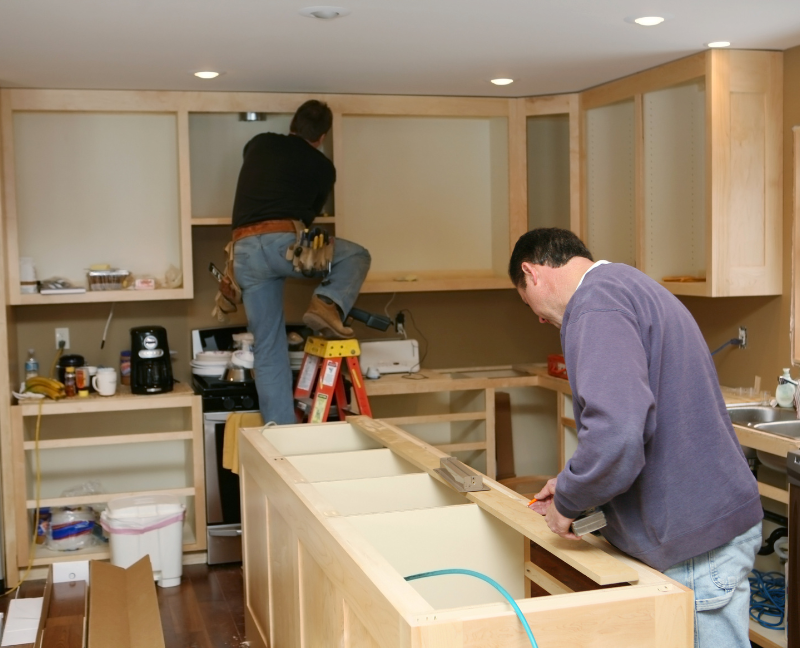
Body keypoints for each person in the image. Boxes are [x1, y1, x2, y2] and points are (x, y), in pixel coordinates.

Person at [509, 228, 762, 648]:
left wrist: (569, 503)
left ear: (531, 273)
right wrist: (572, 482)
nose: (537, 317)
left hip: (692, 544)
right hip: (702, 527)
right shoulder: (629, 285)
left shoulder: (594, 306)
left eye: (526, 302)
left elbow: (618, 432)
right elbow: (633, 426)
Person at [232, 99, 371, 425]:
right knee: (356, 255)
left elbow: (254, 169)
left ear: (292, 125)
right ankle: (327, 303)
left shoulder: (260, 142)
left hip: (242, 253)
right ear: (322, 136)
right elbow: (306, 220)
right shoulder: (323, 168)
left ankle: (281, 433)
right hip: (282, 244)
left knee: (267, 350)